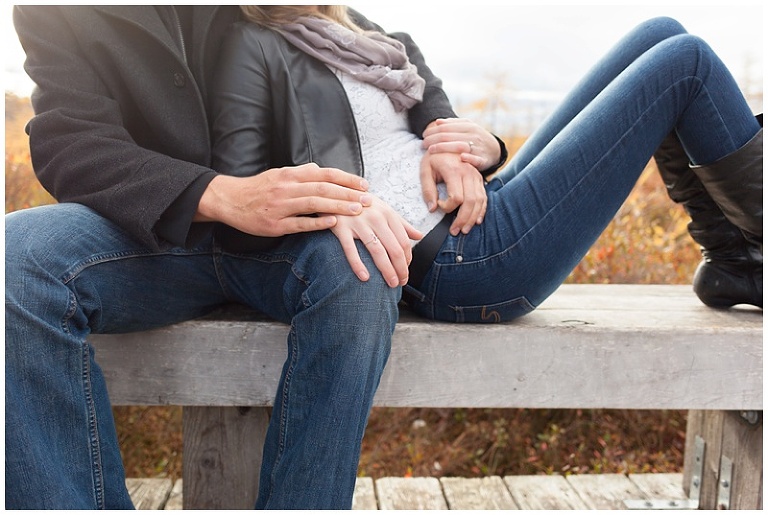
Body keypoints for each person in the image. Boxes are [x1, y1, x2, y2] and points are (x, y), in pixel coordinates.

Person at [5, 6, 480, 510]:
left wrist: (447, 134)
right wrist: (221, 195)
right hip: (149, 230)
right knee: (14, 260)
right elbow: (69, 142)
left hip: (286, 231)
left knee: (359, 266)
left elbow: (368, 42)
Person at [210, 6, 762, 326]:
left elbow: (426, 91)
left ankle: (732, 256)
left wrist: (476, 148)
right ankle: (747, 252)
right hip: (458, 261)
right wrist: (340, 209)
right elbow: (247, 191)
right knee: (685, 65)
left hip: (481, 213)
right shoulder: (250, 40)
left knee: (661, 34)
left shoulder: (351, 25)